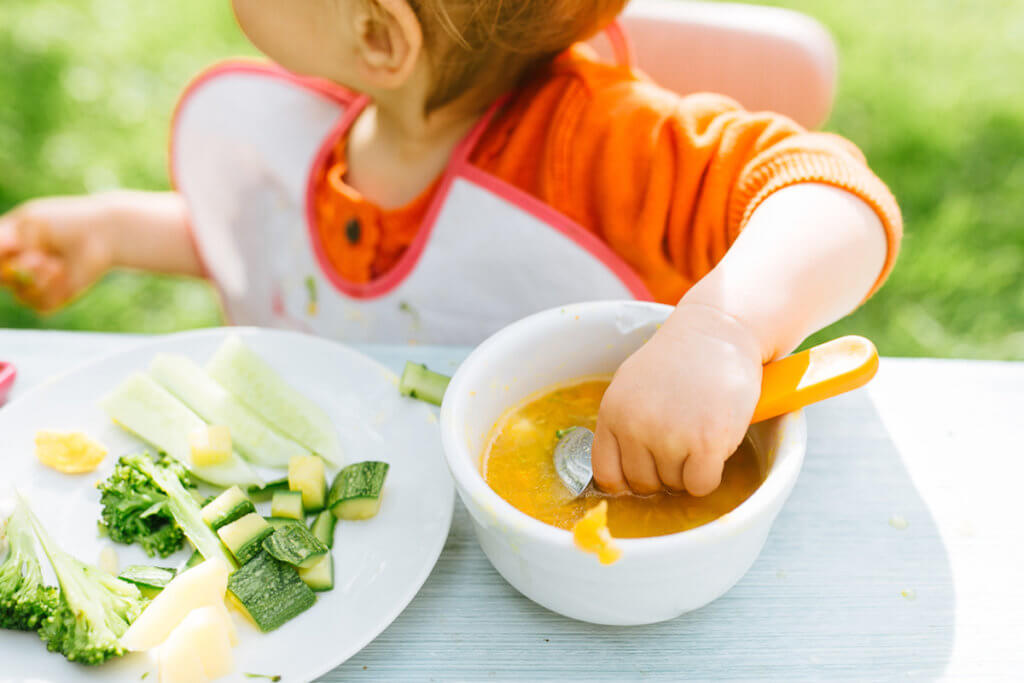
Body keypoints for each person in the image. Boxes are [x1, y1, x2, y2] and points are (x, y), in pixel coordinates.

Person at [0, 0, 901, 498]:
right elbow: (312, 264)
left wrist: (722, 329)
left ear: (379, 35)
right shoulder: (350, 119)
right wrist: (116, 230)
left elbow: (836, 192)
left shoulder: (597, 146)